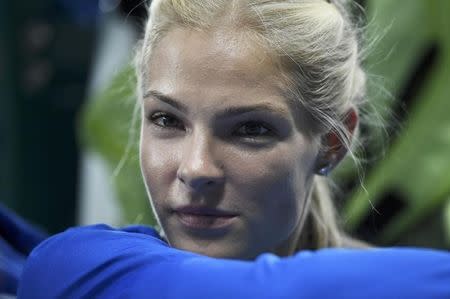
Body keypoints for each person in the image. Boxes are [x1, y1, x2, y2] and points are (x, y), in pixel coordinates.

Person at [10, 0, 450, 298]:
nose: (197, 168)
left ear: (332, 143)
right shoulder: (77, 268)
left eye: (250, 129)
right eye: (167, 120)